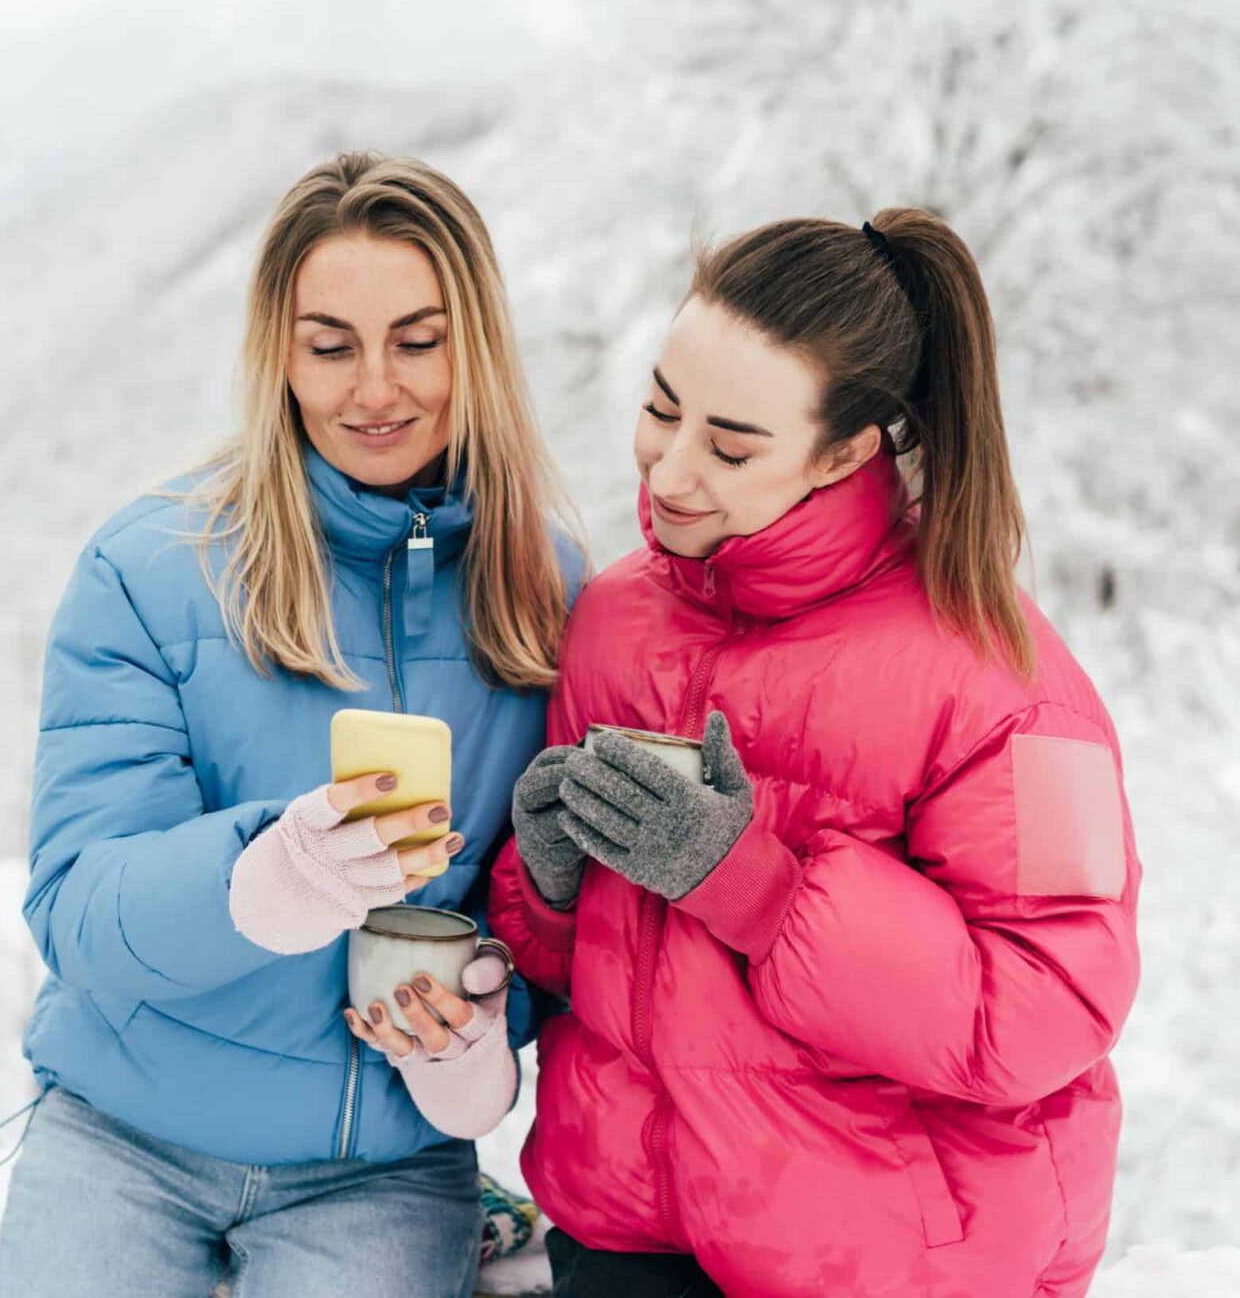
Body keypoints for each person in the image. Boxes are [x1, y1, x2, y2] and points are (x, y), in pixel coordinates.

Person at [488, 210, 1141, 1297]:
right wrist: (546, 883)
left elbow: (1050, 1007)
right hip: (633, 1230)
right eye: (659, 407)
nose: (670, 467)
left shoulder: (1001, 676)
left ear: (845, 448)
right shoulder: (610, 621)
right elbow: (570, 969)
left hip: (892, 1256)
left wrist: (751, 884)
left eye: (731, 444)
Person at [0, 151, 586, 1298]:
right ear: (279, 357)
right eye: (329, 346)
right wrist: (262, 878)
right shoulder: (150, 570)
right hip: (122, 1138)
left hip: (376, 1174)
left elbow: (544, 913)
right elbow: (76, 907)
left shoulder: (544, 593)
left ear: (477, 348)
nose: (374, 388)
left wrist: (473, 1036)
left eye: (417, 341)